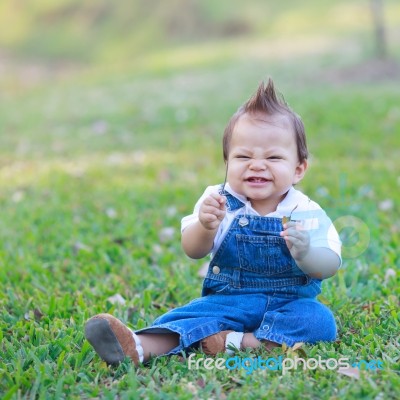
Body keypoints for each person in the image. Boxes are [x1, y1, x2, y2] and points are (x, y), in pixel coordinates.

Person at [84, 79, 342, 366]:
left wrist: (307, 253)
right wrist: (205, 227)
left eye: (273, 157)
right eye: (243, 156)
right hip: (231, 300)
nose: (257, 164)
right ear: (227, 163)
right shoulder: (218, 201)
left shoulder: (306, 211)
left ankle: (238, 342)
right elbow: (193, 250)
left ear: (298, 169)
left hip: (289, 303)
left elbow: (330, 264)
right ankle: (139, 346)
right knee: (190, 315)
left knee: (319, 321)